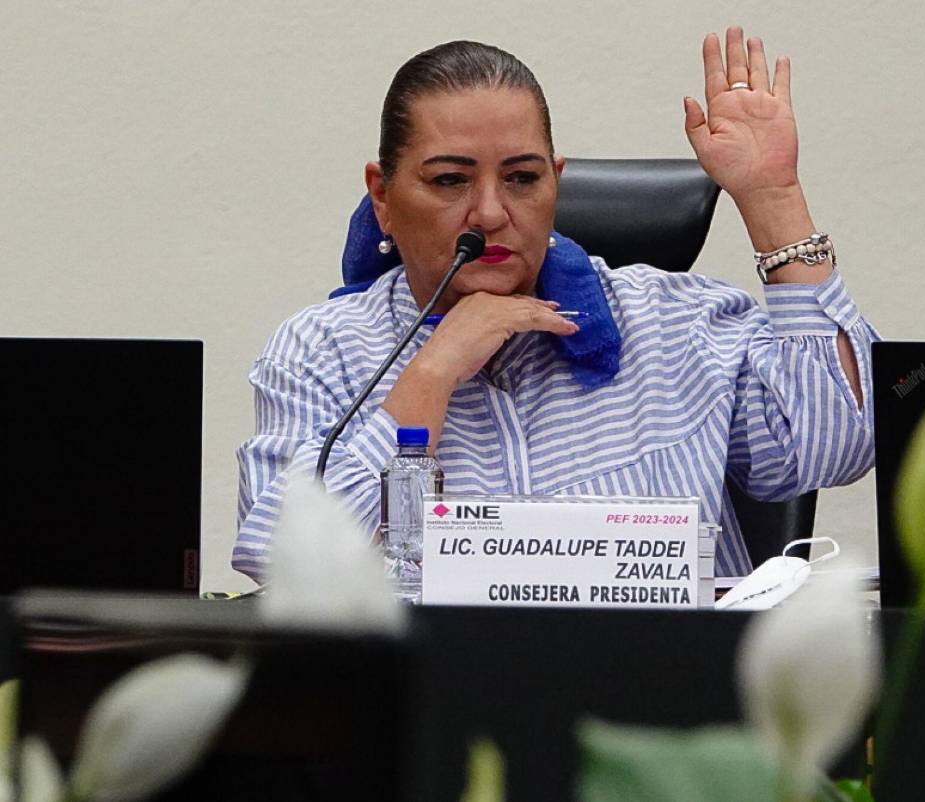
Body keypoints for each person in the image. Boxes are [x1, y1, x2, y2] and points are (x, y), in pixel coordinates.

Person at [234, 27, 879, 583]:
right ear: (383, 194)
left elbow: (837, 442)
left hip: (667, 709)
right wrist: (429, 377)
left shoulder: (676, 325)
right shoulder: (321, 351)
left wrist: (773, 198)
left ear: (556, 182)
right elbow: (281, 561)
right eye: (450, 180)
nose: (489, 212)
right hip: (440, 713)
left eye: (522, 178)